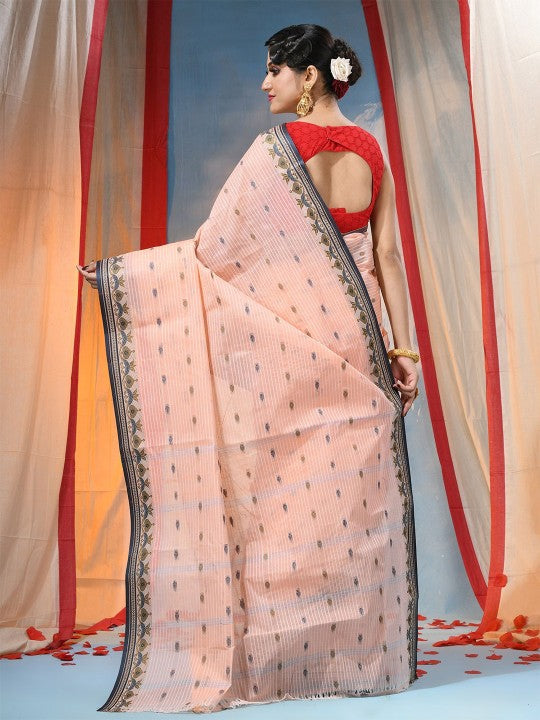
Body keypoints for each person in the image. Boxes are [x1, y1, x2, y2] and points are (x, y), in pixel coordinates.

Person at [79, 23, 419, 715]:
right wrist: (404, 351)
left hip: (292, 333)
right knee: (355, 498)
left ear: (310, 77)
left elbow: (214, 252)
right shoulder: (372, 150)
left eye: (275, 70)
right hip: (362, 334)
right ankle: (360, 661)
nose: (265, 83)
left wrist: (126, 279)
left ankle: (281, 659)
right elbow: (386, 258)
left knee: (279, 491)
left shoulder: (276, 154)